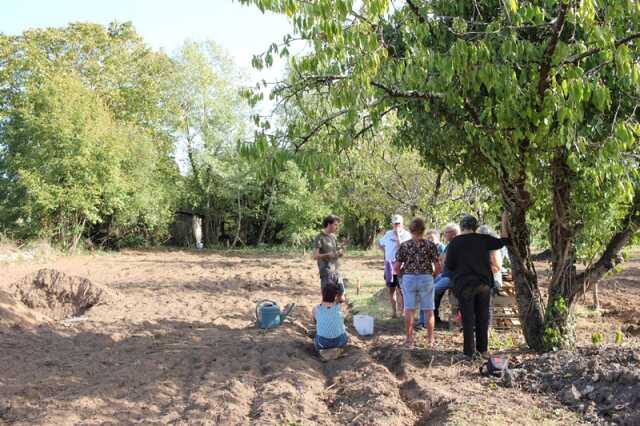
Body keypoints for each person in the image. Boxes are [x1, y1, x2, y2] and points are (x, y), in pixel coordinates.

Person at [445, 213, 510, 358]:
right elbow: (504, 241)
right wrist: (504, 220)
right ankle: (483, 350)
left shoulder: (455, 242)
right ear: (476, 227)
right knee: (483, 317)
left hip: (465, 285)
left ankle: (469, 352)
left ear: (461, 227)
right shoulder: (484, 239)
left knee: (468, 319)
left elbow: (449, 265)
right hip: (483, 284)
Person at [394, 218, 439, 347]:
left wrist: (403, 277)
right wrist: (432, 276)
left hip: (409, 278)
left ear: (410, 230)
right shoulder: (430, 245)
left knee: (409, 309)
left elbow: (396, 267)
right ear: (424, 229)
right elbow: (438, 267)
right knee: (429, 310)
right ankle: (430, 340)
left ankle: (409, 340)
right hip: (426, 277)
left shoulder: (404, 245)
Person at [420, 223, 460, 327]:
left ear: (453, 233)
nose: (445, 234)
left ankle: (424, 323)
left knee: (428, 292)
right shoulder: (451, 244)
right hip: (444, 275)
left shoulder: (456, 244)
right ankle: (433, 318)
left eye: (446, 232)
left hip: (450, 277)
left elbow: (449, 262)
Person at [378, 214, 412, 318]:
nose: (396, 226)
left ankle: (403, 312)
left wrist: (397, 236)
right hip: (389, 265)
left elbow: (402, 248)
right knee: (391, 289)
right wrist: (386, 253)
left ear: (402, 224)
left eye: (398, 223)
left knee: (402, 290)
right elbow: (380, 243)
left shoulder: (407, 235)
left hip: (402, 266)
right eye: (394, 224)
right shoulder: (388, 234)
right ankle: (394, 312)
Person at [313, 214, 345, 301]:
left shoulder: (333, 237)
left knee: (341, 295)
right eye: (335, 225)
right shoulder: (319, 237)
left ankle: (336, 313)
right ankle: (326, 313)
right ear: (329, 224)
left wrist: (340, 252)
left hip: (336, 270)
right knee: (328, 297)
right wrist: (327, 255)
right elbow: (315, 256)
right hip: (326, 272)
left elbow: (337, 250)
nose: (337, 227)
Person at [313, 282, 349, 351]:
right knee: (345, 333)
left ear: (322, 294)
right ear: (335, 295)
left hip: (322, 343)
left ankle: (321, 352)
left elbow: (315, 321)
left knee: (316, 338)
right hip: (339, 342)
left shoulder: (316, 309)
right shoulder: (340, 307)